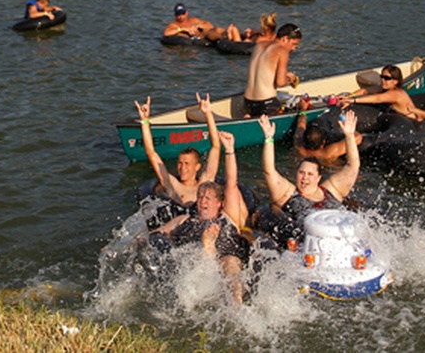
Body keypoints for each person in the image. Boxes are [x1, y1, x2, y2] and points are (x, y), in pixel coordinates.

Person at [149, 131, 248, 302]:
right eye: (200, 197)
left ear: (219, 203)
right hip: (194, 263)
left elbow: (231, 183)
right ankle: (207, 250)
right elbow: (158, 232)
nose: (202, 201)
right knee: (189, 259)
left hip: (224, 258)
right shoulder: (185, 219)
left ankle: (236, 303)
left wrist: (230, 149)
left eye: (208, 198)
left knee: (231, 263)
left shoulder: (227, 217)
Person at [257, 110, 361, 243]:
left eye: (310, 174)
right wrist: (269, 138)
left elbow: (353, 166)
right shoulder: (288, 194)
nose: (305, 178)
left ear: (318, 178)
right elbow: (269, 170)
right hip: (310, 246)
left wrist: (350, 136)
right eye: (301, 173)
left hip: (343, 241)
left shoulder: (332, 190)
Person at [134, 93, 221, 211]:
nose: (182, 167)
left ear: (197, 167)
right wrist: (145, 121)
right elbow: (151, 153)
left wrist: (208, 114)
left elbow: (216, 147)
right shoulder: (173, 185)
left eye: (187, 163)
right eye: (180, 163)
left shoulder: (205, 184)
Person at [243, 23, 301, 116]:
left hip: (248, 102)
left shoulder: (259, 45)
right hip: (266, 103)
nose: (294, 48)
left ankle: (248, 116)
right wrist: (290, 79)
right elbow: (280, 82)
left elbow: (264, 73)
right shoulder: (282, 51)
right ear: (285, 39)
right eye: (293, 44)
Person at [164, 3, 241, 43]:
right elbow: (166, 33)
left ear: (187, 13)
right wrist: (183, 29)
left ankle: (234, 36)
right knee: (206, 32)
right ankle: (225, 36)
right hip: (197, 38)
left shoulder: (193, 20)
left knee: (217, 29)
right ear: (175, 15)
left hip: (204, 33)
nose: (181, 16)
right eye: (178, 14)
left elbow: (209, 25)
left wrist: (198, 26)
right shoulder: (174, 24)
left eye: (183, 13)